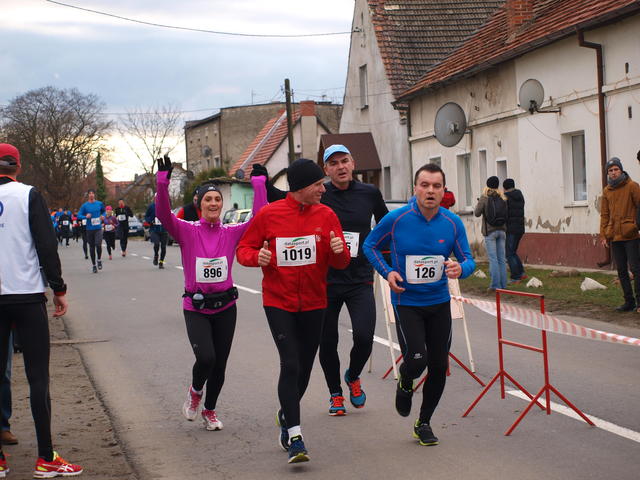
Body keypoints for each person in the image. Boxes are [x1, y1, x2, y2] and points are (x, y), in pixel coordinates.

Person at [252, 146, 389, 416]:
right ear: (326, 170)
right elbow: (285, 197)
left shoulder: (370, 193)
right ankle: (335, 393)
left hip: (359, 277)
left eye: (345, 161)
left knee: (364, 336)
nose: (341, 167)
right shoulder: (319, 193)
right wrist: (263, 182)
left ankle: (353, 375)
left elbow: (387, 225)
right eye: (333, 163)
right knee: (327, 341)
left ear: (353, 163)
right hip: (325, 280)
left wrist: (382, 252)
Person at [237, 158, 350, 464]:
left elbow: (340, 261)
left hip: (315, 303)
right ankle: (295, 437)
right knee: (290, 363)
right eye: (318, 185)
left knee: (304, 369)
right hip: (279, 302)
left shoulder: (326, 215)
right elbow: (243, 249)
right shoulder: (269, 215)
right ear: (301, 187)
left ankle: (287, 412)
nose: (323, 190)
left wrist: (340, 252)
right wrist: (257, 258)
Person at [363, 163, 475, 447]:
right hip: (407, 302)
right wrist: (387, 272)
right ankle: (405, 380)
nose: (430, 191)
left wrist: (460, 269)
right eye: (425, 185)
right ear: (415, 188)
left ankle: (423, 422)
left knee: (438, 365)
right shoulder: (397, 219)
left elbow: (468, 260)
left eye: (436, 186)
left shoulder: (452, 223)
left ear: (443, 190)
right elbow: (369, 246)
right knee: (416, 359)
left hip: (439, 303)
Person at [154, 155, 267, 432]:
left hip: (226, 306)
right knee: (206, 358)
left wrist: (259, 183)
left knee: (220, 365)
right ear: (199, 204)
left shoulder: (231, 232)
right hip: (196, 307)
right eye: (208, 199)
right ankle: (195, 392)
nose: (214, 203)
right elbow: (163, 215)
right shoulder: (186, 231)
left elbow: (259, 218)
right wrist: (162, 182)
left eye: (217, 199)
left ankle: (210, 410)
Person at [0, 143, 83, 477]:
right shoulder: (29, 195)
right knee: (38, 378)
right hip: (27, 296)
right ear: (18, 166)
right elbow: (47, 246)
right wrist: (59, 288)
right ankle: (46, 457)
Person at [600, 157, 640, 312]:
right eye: (610, 170)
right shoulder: (607, 191)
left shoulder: (632, 186)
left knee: (636, 269)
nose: (613, 172)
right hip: (615, 236)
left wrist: (636, 226)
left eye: (616, 169)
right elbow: (604, 214)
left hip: (631, 235)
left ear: (621, 170)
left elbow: (639, 206)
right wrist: (604, 235)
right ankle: (629, 302)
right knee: (621, 271)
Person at [474, 176, 507, 291]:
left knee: (493, 259)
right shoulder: (503, 197)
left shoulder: (485, 197)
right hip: (502, 230)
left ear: (487, 185)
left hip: (490, 231)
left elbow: (477, 213)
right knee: (501, 259)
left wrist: (480, 203)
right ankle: (503, 285)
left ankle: (495, 285)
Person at [503, 179, 527, 283]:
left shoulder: (506, 198)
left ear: (505, 188)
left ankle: (515, 277)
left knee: (509, 253)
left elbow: (505, 213)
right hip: (520, 228)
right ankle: (521, 273)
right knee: (513, 252)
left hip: (511, 228)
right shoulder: (519, 195)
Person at [78, 189, 106, 273]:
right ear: (88, 195)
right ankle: (94, 265)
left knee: (98, 244)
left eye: (92, 193)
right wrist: (85, 216)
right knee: (92, 247)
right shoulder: (85, 206)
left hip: (98, 228)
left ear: (94, 195)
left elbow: (104, 212)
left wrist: (103, 216)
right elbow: (79, 215)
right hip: (89, 229)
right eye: (89, 193)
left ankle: (99, 260)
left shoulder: (99, 203)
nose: (91, 195)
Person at [145, 201, 168, 269]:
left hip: (164, 230)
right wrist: (150, 221)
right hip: (154, 230)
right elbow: (146, 216)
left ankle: (161, 262)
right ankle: (156, 255)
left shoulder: (165, 206)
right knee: (156, 244)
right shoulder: (151, 206)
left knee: (163, 247)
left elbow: (169, 216)